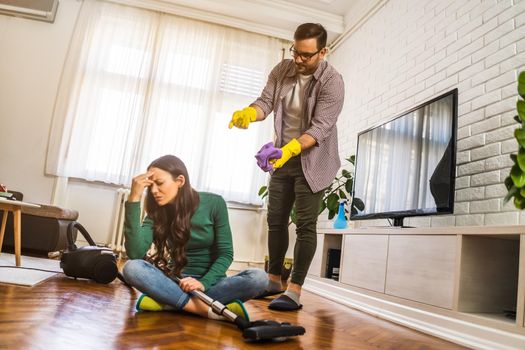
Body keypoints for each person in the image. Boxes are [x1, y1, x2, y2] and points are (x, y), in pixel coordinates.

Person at [228, 23, 344, 311]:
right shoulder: (282, 70)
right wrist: (248, 114)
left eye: (307, 55)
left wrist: (291, 148)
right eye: (296, 52)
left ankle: (294, 290)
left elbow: (321, 128)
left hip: (313, 161)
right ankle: (274, 280)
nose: (299, 60)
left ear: (323, 51)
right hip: (281, 158)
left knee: (305, 225)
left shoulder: (333, 81)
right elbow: (265, 102)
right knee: (276, 219)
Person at [122, 155, 267, 321]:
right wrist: (134, 198)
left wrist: (203, 283)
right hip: (175, 282)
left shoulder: (214, 203)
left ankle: (170, 302)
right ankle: (205, 310)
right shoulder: (157, 212)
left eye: (160, 183)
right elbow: (135, 252)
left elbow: (225, 253)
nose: (154, 191)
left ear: (180, 181)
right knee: (131, 268)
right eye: (150, 186)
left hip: (211, 284)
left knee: (259, 278)